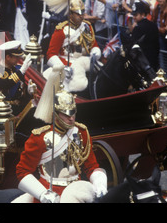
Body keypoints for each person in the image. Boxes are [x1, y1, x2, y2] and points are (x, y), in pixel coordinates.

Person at [15, 70, 107, 203]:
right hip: (49, 192)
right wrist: (42, 194)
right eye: (66, 114)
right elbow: (23, 171)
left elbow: (91, 166)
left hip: (78, 190)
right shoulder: (39, 137)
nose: (71, 118)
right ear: (55, 113)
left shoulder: (81, 132)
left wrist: (100, 183)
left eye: (73, 113)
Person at [46, 0, 101, 93]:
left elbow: (94, 45)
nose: (81, 16)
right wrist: (62, 68)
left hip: (85, 61)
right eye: (78, 13)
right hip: (67, 63)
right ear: (70, 14)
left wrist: (95, 53)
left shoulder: (87, 27)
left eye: (82, 13)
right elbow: (51, 54)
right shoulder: (61, 30)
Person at [0, 40, 32, 115]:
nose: (19, 59)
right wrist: (21, 71)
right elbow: (5, 84)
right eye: (16, 57)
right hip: (1, 111)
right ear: (8, 57)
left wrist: (29, 91)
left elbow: (20, 92)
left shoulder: (17, 69)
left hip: (18, 110)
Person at [128, 0, 160, 71]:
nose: (134, 17)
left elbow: (132, 44)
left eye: (136, 15)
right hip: (154, 60)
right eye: (133, 15)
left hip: (143, 63)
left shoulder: (138, 28)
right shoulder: (153, 25)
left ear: (142, 14)